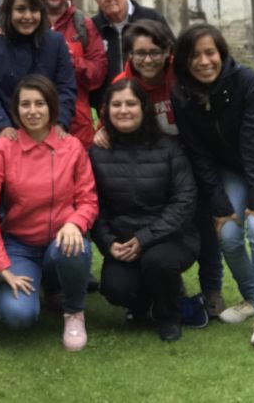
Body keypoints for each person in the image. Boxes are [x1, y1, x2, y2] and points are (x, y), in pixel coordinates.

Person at [171, 24, 254, 347]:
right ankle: (252, 297)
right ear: (184, 60)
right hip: (231, 170)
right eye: (195, 55)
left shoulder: (246, 80)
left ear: (221, 53)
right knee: (227, 234)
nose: (204, 61)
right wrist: (220, 205)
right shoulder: (181, 94)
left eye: (210, 53)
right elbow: (199, 154)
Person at [0, 74, 97, 351]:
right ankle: (41, 287)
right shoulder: (4, 147)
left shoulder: (72, 146)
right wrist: (2, 264)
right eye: (25, 104)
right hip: (19, 246)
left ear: (52, 107)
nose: (32, 111)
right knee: (18, 317)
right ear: (16, 110)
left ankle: (73, 312)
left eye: (39, 103)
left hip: (60, 242)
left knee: (75, 247)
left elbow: (88, 200)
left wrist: (75, 223)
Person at [90, 78, 199, 342]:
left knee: (158, 262)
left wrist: (145, 238)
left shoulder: (169, 147)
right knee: (115, 288)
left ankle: (168, 315)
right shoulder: (96, 152)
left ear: (143, 108)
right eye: (116, 105)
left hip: (172, 238)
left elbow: (184, 200)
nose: (123, 110)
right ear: (106, 110)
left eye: (131, 104)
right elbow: (93, 205)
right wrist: (108, 243)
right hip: (123, 240)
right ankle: (144, 302)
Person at [0, 0, 77, 142]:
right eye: (20, 9)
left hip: (49, 133)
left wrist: (60, 123)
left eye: (34, 10)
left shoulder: (55, 43)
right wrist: (2, 126)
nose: (28, 16)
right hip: (7, 135)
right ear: (9, 11)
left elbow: (66, 87)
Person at [36, 0, 107, 148]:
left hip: (76, 126)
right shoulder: (25, 22)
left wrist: (72, 61)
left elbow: (99, 73)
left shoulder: (83, 25)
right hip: (32, 123)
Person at [90, 0, 170, 105]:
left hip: (152, 100)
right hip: (111, 105)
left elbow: (171, 55)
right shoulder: (92, 27)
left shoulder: (152, 18)